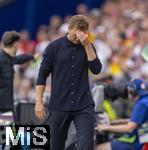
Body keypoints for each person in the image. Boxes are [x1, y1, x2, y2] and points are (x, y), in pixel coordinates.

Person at [35, 15, 102, 150]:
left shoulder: (88, 46)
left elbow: (96, 69)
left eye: (83, 33)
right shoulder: (54, 47)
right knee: (56, 145)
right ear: (69, 28)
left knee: (86, 145)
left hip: (83, 105)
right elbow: (42, 75)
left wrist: (87, 45)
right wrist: (38, 102)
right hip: (59, 104)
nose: (79, 36)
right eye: (76, 32)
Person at [96, 79, 148, 150]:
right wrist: (120, 121)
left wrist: (105, 127)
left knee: (99, 148)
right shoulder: (145, 100)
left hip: (137, 142)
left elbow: (129, 128)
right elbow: (140, 119)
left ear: (133, 92)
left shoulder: (141, 104)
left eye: (129, 90)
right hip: (142, 140)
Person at [0, 31, 39, 117]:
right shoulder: (2, 60)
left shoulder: (9, 59)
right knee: (9, 130)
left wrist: (32, 57)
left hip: (7, 107)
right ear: (15, 44)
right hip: (2, 109)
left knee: (11, 130)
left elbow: (20, 58)